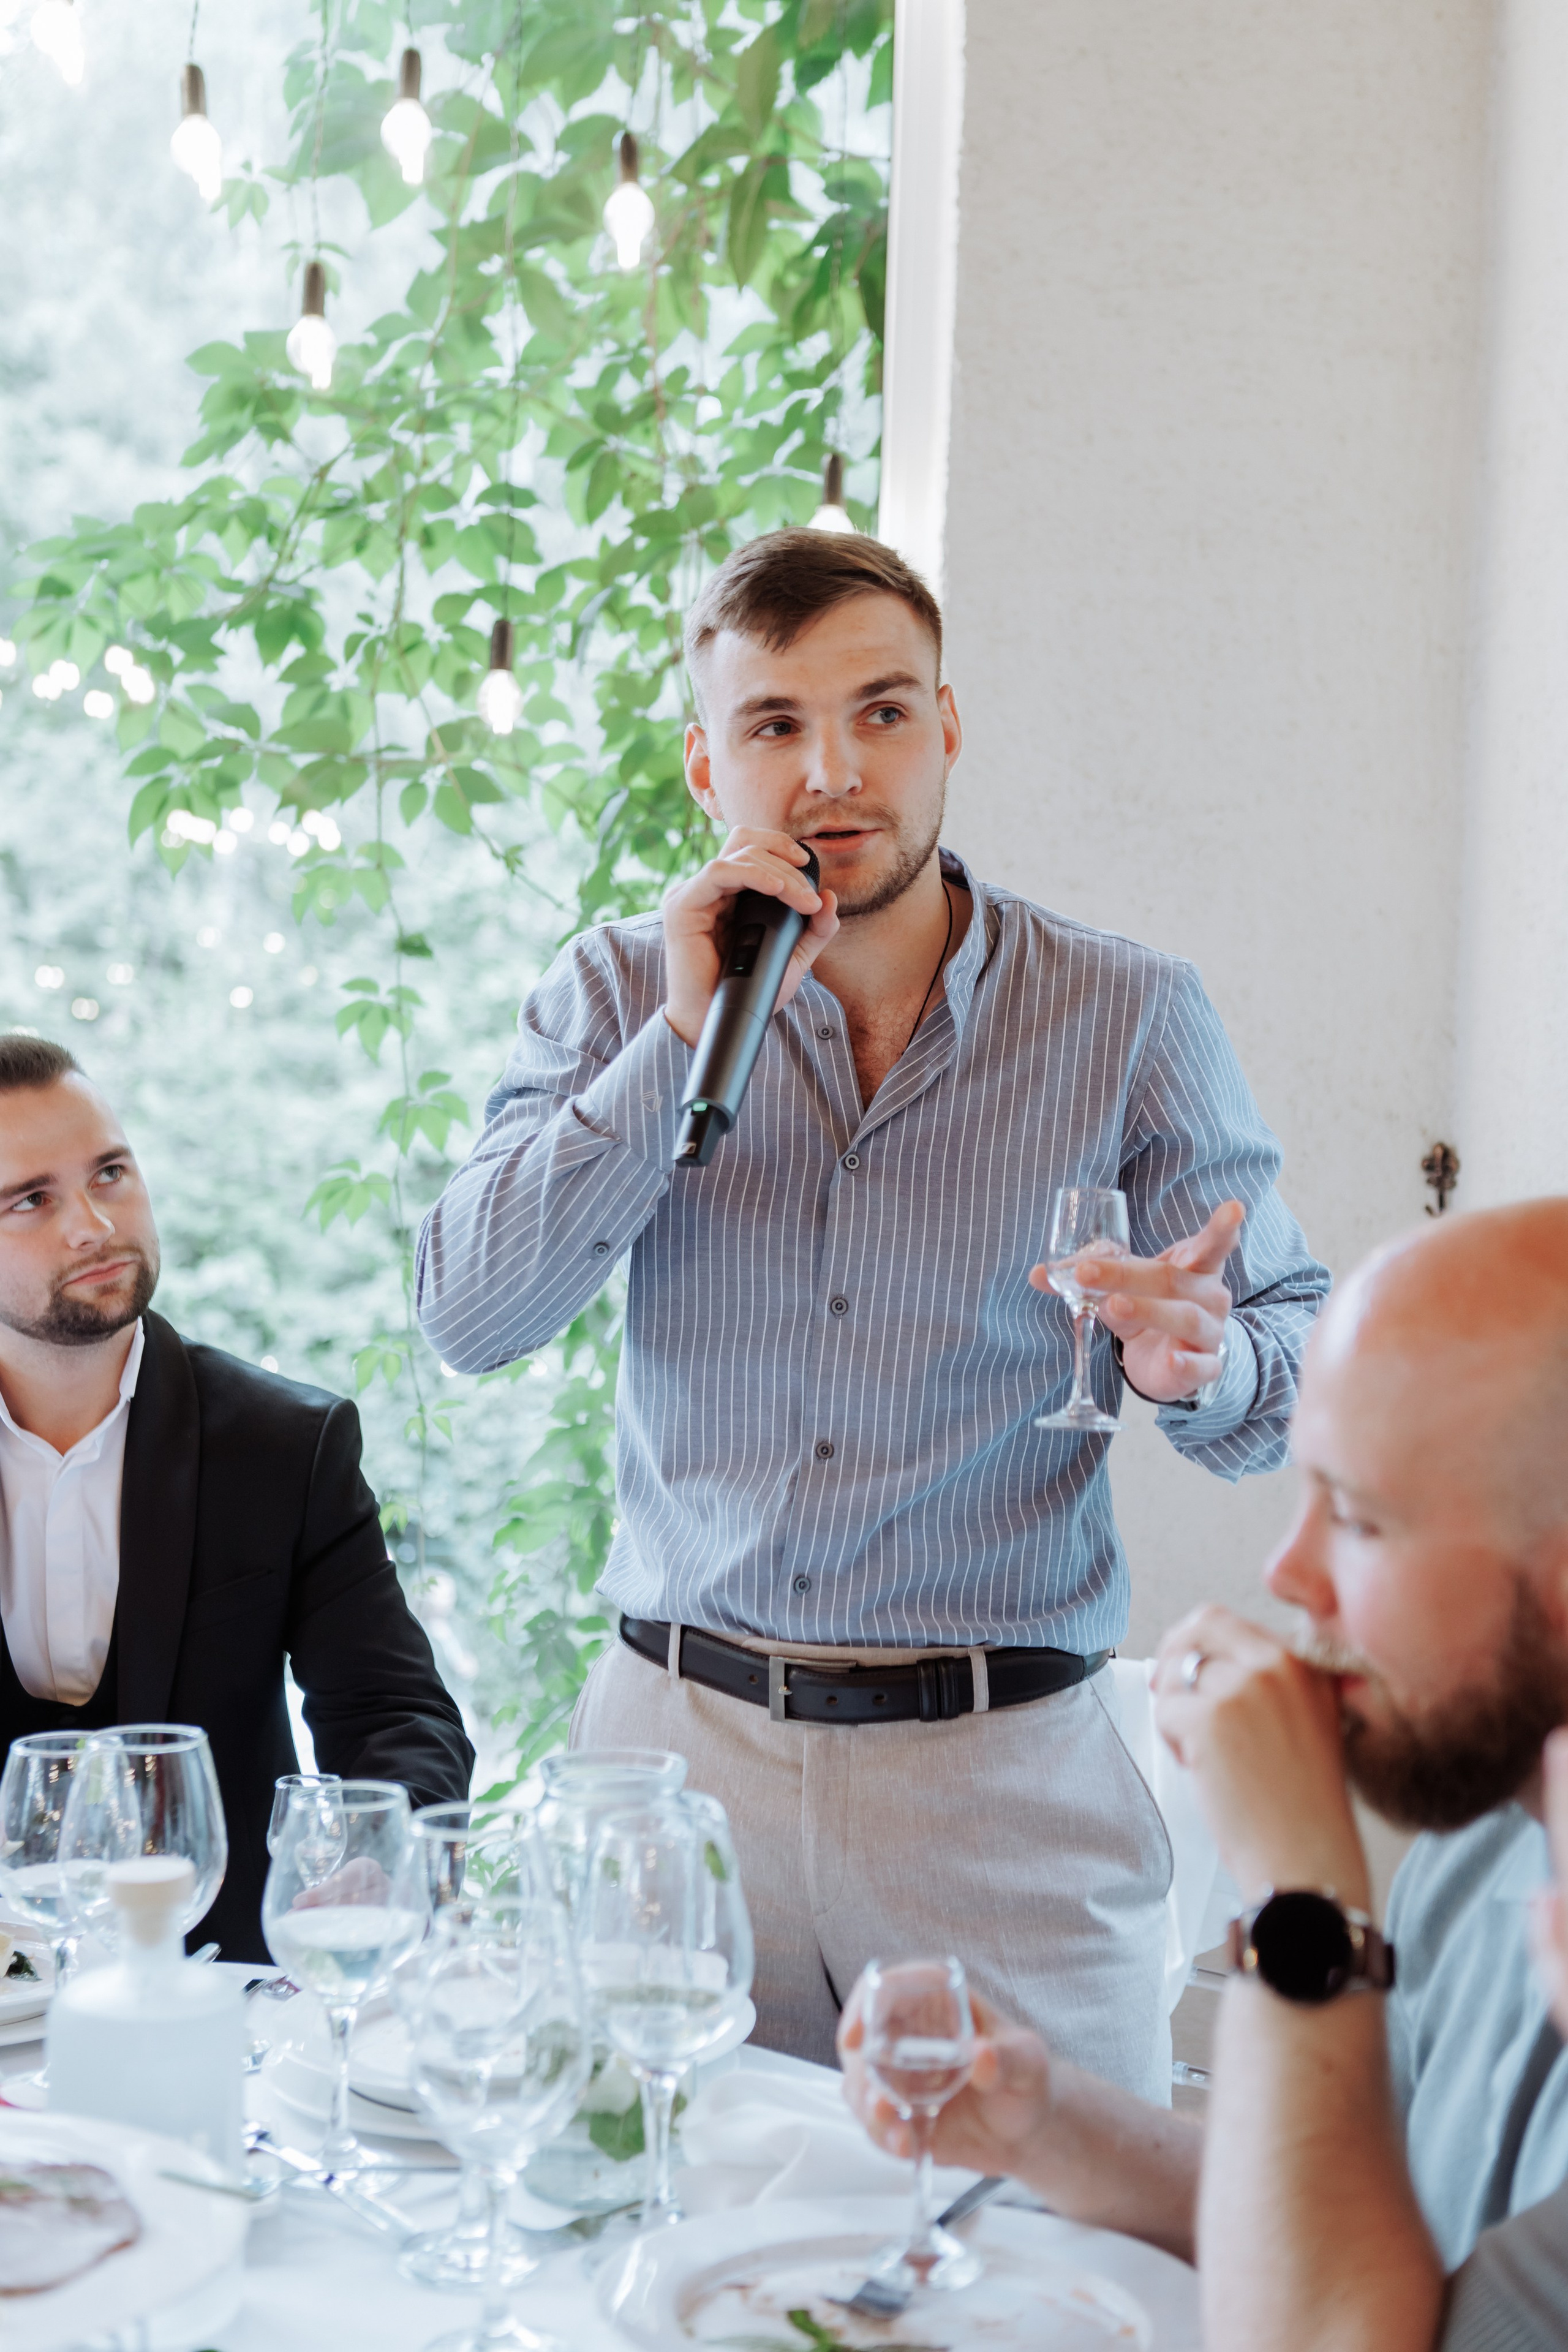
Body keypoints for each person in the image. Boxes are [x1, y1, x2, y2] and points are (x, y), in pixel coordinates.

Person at [417, 528, 1328, 2089]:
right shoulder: (614, 991)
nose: (834, 770)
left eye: (882, 712)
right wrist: (674, 1046)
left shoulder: (1125, 1015)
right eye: (776, 725)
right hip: (675, 1773)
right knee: (651, 2246)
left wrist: (1207, 1357)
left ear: (948, 729)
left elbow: (1297, 1365)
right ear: (709, 768)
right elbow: (472, 1314)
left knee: (1063, 2286)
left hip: (1002, 1785)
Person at [839, 1198, 1568, 2348]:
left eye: (1363, 1520)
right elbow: (1351, 2213)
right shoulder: (1488, 1846)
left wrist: (1301, 1901)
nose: (1292, 1572)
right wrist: (1045, 2122)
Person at [0, 1037, 473, 1959]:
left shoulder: (285, 1444)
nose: (94, 1224)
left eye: (111, 1172)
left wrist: (383, 1849)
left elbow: (394, 1715)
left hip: (226, 1998)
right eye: (32, 1199)